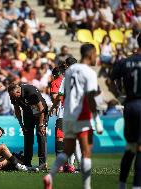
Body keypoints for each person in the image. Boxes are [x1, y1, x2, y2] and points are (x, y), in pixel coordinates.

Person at [43, 43, 103, 189]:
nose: (96, 57)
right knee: (86, 151)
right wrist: (96, 119)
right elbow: (90, 97)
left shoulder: (68, 72)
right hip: (81, 114)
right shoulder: (89, 73)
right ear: (90, 54)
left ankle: (50, 176)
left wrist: (55, 108)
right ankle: (86, 186)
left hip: (67, 114)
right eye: (95, 54)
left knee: (69, 149)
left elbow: (61, 94)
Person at [111, 33, 141, 189]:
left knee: (130, 146)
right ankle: (137, 186)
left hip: (129, 105)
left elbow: (110, 80)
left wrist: (119, 96)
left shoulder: (125, 61)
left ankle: (121, 185)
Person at [8, 83, 48, 169]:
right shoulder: (12, 95)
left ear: (18, 91)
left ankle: (42, 163)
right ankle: (27, 163)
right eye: (12, 96)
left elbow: (41, 109)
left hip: (40, 113)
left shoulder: (30, 91)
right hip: (28, 113)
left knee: (40, 134)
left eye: (15, 96)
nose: (14, 98)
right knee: (27, 136)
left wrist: (41, 124)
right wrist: (21, 125)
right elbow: (17, 110)